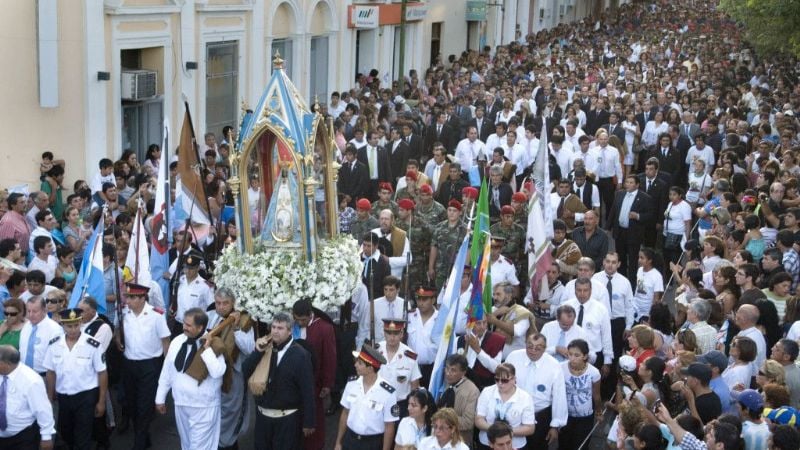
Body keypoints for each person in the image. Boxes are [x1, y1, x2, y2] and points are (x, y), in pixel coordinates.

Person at [155, 308, 226, 450]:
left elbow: (218, 372)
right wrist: (160, 397)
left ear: (200, 327)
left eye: (188, 325)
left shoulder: (214, 344)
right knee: (186, 445)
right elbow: (167, 370)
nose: (184, 327)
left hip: (204, 407)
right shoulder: (177, 341)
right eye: (184, 324)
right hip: (181, 403)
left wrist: (206, 349)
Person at [242, 312, 315, 450]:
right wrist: (257, 352)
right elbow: (245, 371)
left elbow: (307, 390)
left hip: (287, 421)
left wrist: (308, 421)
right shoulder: (264, 348)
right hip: (263, 419)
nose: (275, 331)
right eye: (273, 327)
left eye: (280, 328)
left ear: (290, 330)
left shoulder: (301, 355)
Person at [43, 307, 108, 450]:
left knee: (83, 436)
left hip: (86, 396)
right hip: (64, 396)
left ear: (80, 323)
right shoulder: (54, 344)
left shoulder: (93, 345)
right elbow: (50, 371)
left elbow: (102, 373)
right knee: (66, 433)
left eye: (76, 325)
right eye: (69, 326)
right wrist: (49, 394)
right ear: (62, 325)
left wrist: (101, 401)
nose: (73, 329)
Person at [118, 282, 170, 450]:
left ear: (142, 298)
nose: (128, 301)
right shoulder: (124, 313)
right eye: (127, 297)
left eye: (132, 297)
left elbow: (165, 342)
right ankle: (144, 434)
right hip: (129, 364)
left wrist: (168, 369)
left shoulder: (156, 315)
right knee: (131, 403)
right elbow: (117, 330)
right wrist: (118, 339)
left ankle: (139, 443)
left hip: (150, 366)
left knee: (144, 406)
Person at [208, 288, 256, 450]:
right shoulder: (211, 317)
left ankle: (228, 444)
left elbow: (250, 349)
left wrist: (235, 328)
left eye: (225, 303)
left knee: (232, 414)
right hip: (213, 376)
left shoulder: (243, 320)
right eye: (218, 303)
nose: (221, 307)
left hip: (234, 377)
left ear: (233, 303)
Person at [505, 333, 568, 449]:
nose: (533, 351)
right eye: (529, 346)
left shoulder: (554, 366)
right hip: (514, 414)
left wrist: (555, 426)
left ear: (544, 349)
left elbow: (559, 397)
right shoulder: (513, 357)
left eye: (538, 348)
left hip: (540, 416)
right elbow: (502, 382)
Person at [333, 344, 399, 450]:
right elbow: (345, 413)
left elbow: (389, 426)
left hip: (372, 444)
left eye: (360, 363)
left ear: (370, 368)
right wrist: (338, 442)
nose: (355, 365)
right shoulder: (351, 383)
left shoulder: (388, 392)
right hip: (350, 440)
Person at [291, 298, 337, 450]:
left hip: (314, 382)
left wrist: (327, 384)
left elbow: (329, 357)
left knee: (314, 419)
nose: (300, 323)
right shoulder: (291, 327)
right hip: (293, 383)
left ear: (310, 315)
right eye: (297, 320)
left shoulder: (324, 328)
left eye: (303, 320)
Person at [0, 345, 56, 450]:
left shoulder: (31, 381)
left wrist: (46, 437)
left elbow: (42, 410)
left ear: (6, 364)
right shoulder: (2, 373)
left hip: (23, 437)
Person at [474, 363, 536, 450]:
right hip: (487, 443)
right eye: (497, 379)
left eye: (504, 380)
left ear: (514, 379)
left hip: (515, 445)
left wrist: (505, 433)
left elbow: (530, 428)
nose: (500, 383)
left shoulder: (525, 397)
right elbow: (478, 419)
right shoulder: (487, 392)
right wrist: (494, 430)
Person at [609, 175, 653, 282]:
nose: (627, 184)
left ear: (637, 185)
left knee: (633, 260)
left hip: (633, 233)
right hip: (620, 231)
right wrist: (608, 226)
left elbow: (650, 215)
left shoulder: (644, 198)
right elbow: (613, 210)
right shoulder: (619, 194)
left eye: (631, 182)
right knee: (621, 258)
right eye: (626, 182)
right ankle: (621, 280)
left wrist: (637, 216)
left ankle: (632, 283)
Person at [559, 338, 601, 450]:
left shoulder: (594, 372)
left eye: (576, 355)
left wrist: (598, 412)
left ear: (585, 356)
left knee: (580, 445)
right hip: (565, 415)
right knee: (564, 443)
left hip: (585, 416)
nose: (572, 358)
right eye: (570, 354)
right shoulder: (560, 368)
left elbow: (596, 395)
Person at [377, 318, 421, 417]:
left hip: (399, 405)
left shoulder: (410, 356)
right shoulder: (375, 351)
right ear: (384, 333)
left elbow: (415, 385)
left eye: (396, 333)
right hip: (377, 402)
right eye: (389, 333)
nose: (392, 337)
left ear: (402, 334)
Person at [436, 354, 479, 444]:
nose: (448, 373)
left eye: (453, 370)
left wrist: (444, 420)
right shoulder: (446, 383)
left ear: (463, 373)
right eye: (447, 368)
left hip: (459, 441)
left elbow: (468, 422)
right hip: (440, 439)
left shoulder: (472, 391)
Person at [455, 316, 503, 390]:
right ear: (470, 323)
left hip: (484, 388)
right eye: (478, 323)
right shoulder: (459, 340)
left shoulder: (496, 340)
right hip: (461, 386)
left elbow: (496, 369)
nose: (482, 327)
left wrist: (478, 350)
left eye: (484, 322)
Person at [19, 297, 62, 375]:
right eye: (28, 311)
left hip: (44, 375)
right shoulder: (26, 326)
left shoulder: (55, 330)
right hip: (23, 374)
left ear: (44, 310)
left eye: (35, 311)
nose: (31, 315)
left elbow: (56, 359)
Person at [771, 339, 800, 408]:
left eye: (777, 349)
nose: (772, 349)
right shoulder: (794, 368)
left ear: (786, 357)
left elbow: (775, 401)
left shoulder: (784, 377)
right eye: (774, 346)